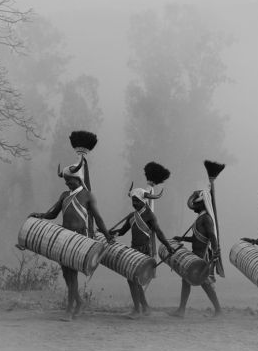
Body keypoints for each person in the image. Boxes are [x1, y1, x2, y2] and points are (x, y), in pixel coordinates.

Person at [28, 130, 112, 321]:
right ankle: (78, 302)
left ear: (79, 179)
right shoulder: (64, 196)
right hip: (64, 237)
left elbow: (97, 218)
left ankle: (71, 308)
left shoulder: (87, 196)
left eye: (70, 181)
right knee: (67, 274)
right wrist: (39, 215)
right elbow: (52, 213)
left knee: (72, 274)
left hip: (79, 237)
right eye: (65, 181)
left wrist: (106, 235)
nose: (67, 184)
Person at [111, 187, 177, 319]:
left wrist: (168, 246)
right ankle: (144, 308)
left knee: (133, 279)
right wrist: (108, 232)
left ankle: (137, 310)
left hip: (144, 251)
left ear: (143, 200)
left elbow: (159, 232)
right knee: (133, 280)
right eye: (132, 201)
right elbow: (122, 231)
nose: (134, 204)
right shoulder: (132, 216)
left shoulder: (149, 215)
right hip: (133, 250)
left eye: (136, 201)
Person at [167, 188, 223, 318]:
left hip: (203, 255)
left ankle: (218, 310)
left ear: (203, 204)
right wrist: (182, 238)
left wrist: (215, 252)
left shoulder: (206, 219)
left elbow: (212, 237)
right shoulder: (200, 218)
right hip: (195, 254)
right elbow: (196, 238)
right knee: (187, 280)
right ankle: (181, 310)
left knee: (205, 283)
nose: (194, 206)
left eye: (197, 204)